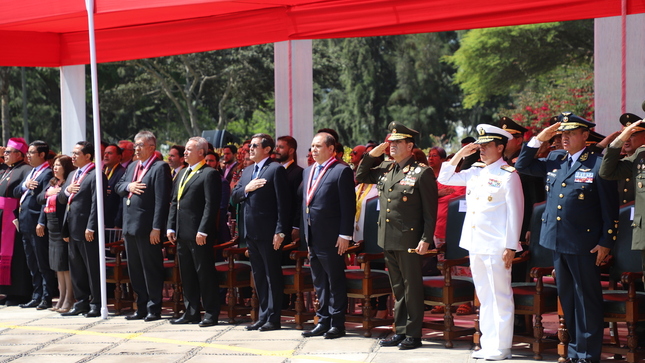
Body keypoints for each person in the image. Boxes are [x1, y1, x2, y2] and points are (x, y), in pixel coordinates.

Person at [515, 112, 619, 363]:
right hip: (557, 240)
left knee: (587, 300)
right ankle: (574, 350)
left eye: (571, 133)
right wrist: (540, 138)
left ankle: (588, 354)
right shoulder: (554, 159)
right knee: (568, 299)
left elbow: (610, 208)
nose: (564, 138)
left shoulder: (597, 164)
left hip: (585, 244)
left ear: (585, 136)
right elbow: (522, 165)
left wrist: (606, 241)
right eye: (562, 134)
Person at [438, 124, 524, 360]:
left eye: (487, 146)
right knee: (485, 296)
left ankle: (502, 346)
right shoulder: (476, 170)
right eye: (480, 146)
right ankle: (487, 343)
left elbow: (516, 213)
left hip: (497, 245)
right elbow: (445, 177)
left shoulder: (508, 175)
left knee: (500, 296)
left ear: (500, 147)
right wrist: (460, 154)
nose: (482, 150)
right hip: (476, 243)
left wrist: (510, 245)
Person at [355, 122, 438, 350]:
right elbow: (361, 174)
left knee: (411, 287)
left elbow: (430, 211)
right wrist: (372, 154)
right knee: (398, 288)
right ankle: (400, 330)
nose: (391, 146)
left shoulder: (422, 172)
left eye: (397, 142)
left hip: (410, 239)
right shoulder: (386, 168)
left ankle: (413, 334)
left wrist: (426, 238)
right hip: (388, 237)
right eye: (390, 142)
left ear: (410, 146)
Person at [231, 133, 290, 332]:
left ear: (267, 149)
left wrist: (281, 230)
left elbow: (284, 203)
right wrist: (246, 189)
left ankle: (273, 318)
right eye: (250, 146)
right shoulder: (248, 171)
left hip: (269, 231)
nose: (251, 149)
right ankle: (262, 315)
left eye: (255, 146)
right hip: (251, 232)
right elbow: (234, 197)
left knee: (272, 275)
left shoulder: (275, 169)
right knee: (258, 275)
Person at [301, 133, 355, 339]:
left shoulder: (341, 171)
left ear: (331, 149)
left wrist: (345, 234)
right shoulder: (308, 171)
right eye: (312, 146)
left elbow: (348, 206)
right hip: (313, 235)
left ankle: (337, 323)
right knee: (319, 281)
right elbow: (305, 205)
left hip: (333, 235)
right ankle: (322, 320)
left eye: (318, 146)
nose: (313, 150)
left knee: (335, 279)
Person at [598, 113, 645, 348]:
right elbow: (606, 172)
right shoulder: (639, 157)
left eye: (633, 134)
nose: (628, 138)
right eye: (626, 134)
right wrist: (617, 142)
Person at [115, 131, 171, 322]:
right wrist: (129, 187)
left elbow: (161, 200)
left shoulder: (159, 167)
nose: (136, 149)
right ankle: (140, 306)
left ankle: (153, 308)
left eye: (140, 145)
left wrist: (157, 228)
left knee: (150, 268)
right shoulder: (131, 166)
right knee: (135, 269)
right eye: (135, 145)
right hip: (130, 226)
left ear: (151, 148)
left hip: (148, 228)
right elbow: (118, 186)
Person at [167, 137, 222, 327]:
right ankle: (191, 311)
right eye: (186, 150)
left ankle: (211, 313)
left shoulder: (208, 174)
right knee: (187, 274)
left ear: (201, 153)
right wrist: (171, 226)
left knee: (204, 273)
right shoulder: (182, 173)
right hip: (182, 232)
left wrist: (204, 230)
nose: (185, 153)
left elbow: (211, 205)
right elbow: (175, 202)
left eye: (190, 150)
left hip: (199, 233)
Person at [59, 141, 106, 317]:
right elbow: (62, 199)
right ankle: (82, 301)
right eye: (73, 152)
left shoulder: (96, 174)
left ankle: (96, 302)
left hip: (87, 228)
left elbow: (97, 203)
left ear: (88, 156)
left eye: (77, 153)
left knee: (91, 267)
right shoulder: (72, 174)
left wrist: (91, 226)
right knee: (76, 267)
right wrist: (66, 190)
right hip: (72, 227)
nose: (73, 156)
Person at [14, 140, 55, 310]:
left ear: (41, 155)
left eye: (32, 153)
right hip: (25, 222)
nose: (28, 156)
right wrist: (25, 185)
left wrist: (41, 222)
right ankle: (36, 294)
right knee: (32, 262)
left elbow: (45, 201)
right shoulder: (31, 172)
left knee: (41, 261)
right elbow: (16, 191)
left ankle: (46, 296)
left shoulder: (46, 173)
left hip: (36, 222)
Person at [37, 155, 75, 312]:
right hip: (51, 227)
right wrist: (49, 193)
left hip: (62, 227)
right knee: (57, 266)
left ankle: (69, 298)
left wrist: (61, 192)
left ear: (66, 167)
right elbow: (40, 198)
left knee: (65, 265)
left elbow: (64, 202)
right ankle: (61, 298)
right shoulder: (52, 183)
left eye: (59, 165)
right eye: (54, 165)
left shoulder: (68, 184)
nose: (55, 168)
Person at [0, 138, 34, 306]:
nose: (4, 155)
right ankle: (7, 291)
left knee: (18, 256)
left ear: (18, 154)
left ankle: (20, 292)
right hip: (2, 216)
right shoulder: (6, 169)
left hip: (14, 218)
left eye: (7, 152)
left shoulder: (26, 170)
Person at [102, 144, 126, 229]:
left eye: (110, 153)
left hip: (113, 222)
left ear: (119, 157)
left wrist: (118, 223)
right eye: (105, 153)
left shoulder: (122, 173)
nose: (106, 156)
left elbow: (122, 200)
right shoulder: (103, 172)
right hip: (102, 220)